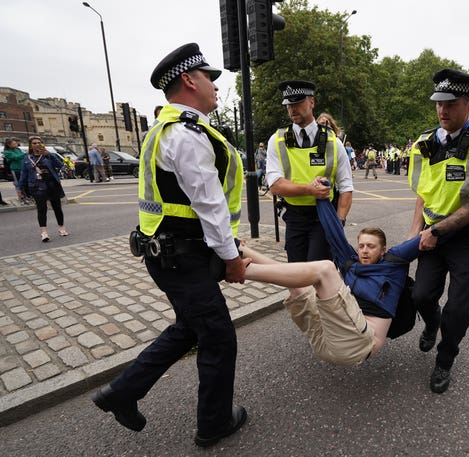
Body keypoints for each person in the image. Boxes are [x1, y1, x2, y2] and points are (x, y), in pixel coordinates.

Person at [91, 43, 247, 448]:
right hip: (184, 257)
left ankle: (122, 392)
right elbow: (209, 203)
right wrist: (231, 258)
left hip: (169, 254)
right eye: (209, 77)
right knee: (218, 338)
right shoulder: (187, 134)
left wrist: (224, 243)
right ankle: (214, 424)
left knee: (190, 328)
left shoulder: (164, 129)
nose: (214, 85)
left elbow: (188, 204)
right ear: (188, 80)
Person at [407, 68, 469, 394]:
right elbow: (423, 191)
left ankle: (445, 359)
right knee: (421, 295)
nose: (442, 111)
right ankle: (431, 322)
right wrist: (416, 230)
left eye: (451, 103)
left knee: (458, 310)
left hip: (467, 236)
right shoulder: (424, 142)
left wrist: (437, 231)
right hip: (432, 231)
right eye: (438, 103)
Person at [242, 194, 421, 366]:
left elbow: (424, 239)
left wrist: (440, 227)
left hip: (360, 345)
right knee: (298, 286)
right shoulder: (351, 263)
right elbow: (333, 231)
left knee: (327, 270)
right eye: (361, 246)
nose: (364, 250)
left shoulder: (394, 264)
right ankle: (240, 251)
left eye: (371, 246)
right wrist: (322, 199)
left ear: (383, 250)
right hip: (324, 339)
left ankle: (242, 271)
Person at [266, 80, 353, 263]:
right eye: (288, 105)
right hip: (294, 218)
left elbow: (346, 186)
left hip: (323, 217)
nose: (292, 109)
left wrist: (339, 222)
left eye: (297, 103)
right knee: (296, 273)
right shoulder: (277, 139)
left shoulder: (333, 142)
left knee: (318, 273)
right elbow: (275, 186)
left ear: (311, 102)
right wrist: (310, 190)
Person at [16, 136, 69, 241]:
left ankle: (61, 228)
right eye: (34, 143)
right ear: (31, 145)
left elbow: (60, 165)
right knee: (41, 209)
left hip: (52, 184)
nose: (37, 145)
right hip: (37, 186)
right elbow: (23, 174)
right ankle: (44, 232)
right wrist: (20, 188)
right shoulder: (27, 158)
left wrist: (49, 155)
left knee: (57, 207)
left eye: (39, 143)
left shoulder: (48, 155)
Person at [3, 137, 29, 204]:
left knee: (26, 183)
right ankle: (22, 198)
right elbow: (16, 157)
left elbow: (24, 157)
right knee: (19, 184)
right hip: (15, 169)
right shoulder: (7, 152)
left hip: (23, 168)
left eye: (16, 143)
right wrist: (25, 154)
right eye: (14, 143)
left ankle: (28, 196)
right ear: (9, 145)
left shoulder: (18, 149)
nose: (16, 144)